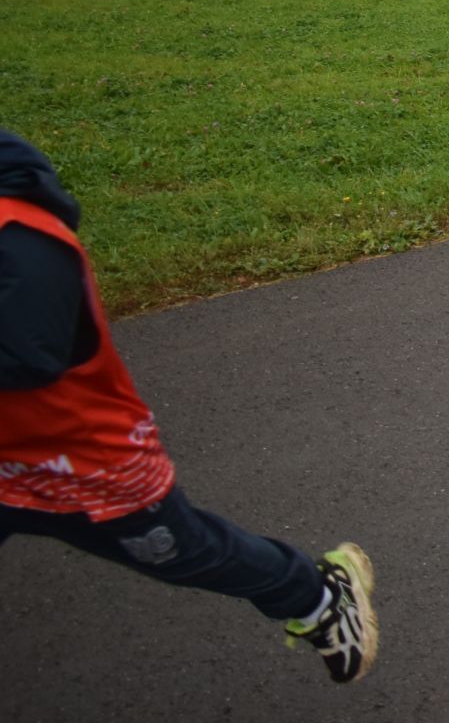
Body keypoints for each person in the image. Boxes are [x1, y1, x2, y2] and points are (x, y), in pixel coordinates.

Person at [0, 130, 379, 684]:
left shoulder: (21, 237)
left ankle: (319, 596)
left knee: (181, 551)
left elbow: (30, 357)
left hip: (82, 458)